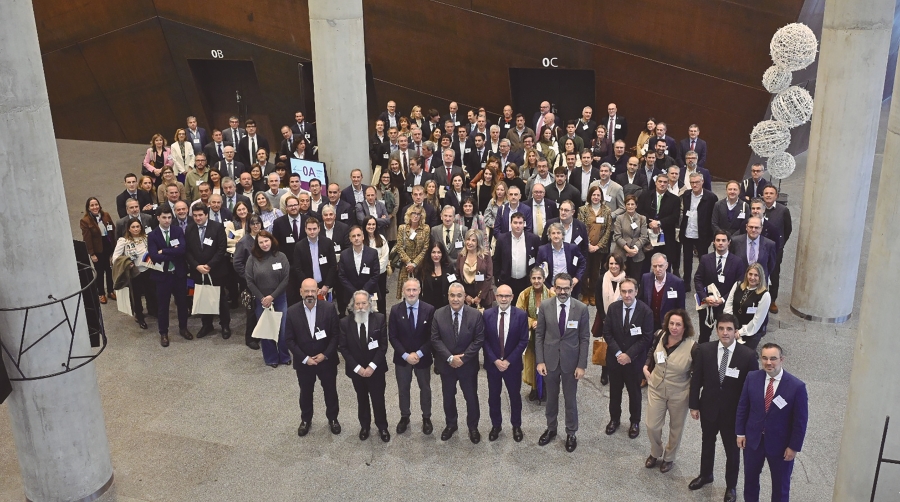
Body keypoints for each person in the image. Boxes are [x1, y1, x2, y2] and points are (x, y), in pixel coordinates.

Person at [688, 313, 759, 502]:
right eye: (721, 328)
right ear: (717, 330)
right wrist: (694, 405)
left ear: (736, 331)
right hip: (709, 408)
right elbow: (696, 380)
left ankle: (731, 487)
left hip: (734, 414)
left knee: (732, 452)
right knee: (707, 443)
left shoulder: (748, 355)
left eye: (729, 329)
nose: (725, 333)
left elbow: (753, 389)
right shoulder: (704, 350)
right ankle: (705, 475)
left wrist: (749, 416)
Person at [736, 343, 808, 502]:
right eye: (765, 358)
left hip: (781, 446)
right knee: (750, 482)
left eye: (773, 359)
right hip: (753, 441)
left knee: (781, 486)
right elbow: (743, 406)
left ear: (782, 359)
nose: (769, 362)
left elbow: (800, 421)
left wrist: (794, 447)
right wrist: (740, 433)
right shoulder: (752, 378)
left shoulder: (796, 387)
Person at [535, 273, 590, 452]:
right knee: (550, 398)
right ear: (554, 287)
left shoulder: (581, 309)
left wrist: (581, 365)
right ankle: (551, 429)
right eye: (559, 288)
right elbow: (539, 335)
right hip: (550, 361)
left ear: (571, 288)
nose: (562, 291)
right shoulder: (545, 306)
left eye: (566, 288)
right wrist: (540, 361)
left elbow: (584, 338)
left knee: (570, 399)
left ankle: (571, 432)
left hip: (571, 363)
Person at [642, 309, 698, 473]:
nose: (674, 327)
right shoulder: (660, 335)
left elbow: (697, 376)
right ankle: (655, 451)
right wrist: (646, 366)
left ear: (685, 327)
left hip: (679, 393)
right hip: (656, 388)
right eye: (671, 323)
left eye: (678, 324)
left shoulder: (693, 347)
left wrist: (695, 403)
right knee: (651, 425)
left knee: (676, 428)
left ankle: (669, 457)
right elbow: (652, 351)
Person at [285, 279, 342, 437]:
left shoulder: (329, 309)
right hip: (304, 363)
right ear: (300, 292)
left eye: (312, 291)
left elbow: (336, 335)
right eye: (306, 291)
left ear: (318, 291)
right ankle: (305, 420)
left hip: (326, 361)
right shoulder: (291, 312)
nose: (310, 294)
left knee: (330, 391)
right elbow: (289, 340)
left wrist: (325, 355)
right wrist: (304, 358)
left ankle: (333, 419)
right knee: (306, 392)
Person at [430, 282, 485, 443]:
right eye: (452, 295)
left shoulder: (475, 315)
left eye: (459, 295)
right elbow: (435, 339)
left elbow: (479, 339)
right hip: (446, 366)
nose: (455, 299)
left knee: (471, 397)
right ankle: (451, 424)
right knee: (448, 397)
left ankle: (473, 427)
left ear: (464, 297)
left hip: (467, 366)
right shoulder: (438, 314)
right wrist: (450, 358)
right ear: (448, 296)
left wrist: (463, 358)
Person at [603, 277, 654, 439]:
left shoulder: (646, 311)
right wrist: (619, 354)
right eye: (623, 291)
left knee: (634, 393)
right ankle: (614, 420)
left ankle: (635, 422)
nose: (627, 295)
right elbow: (607, 333)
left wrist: (629, 355)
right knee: (615, 392)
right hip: (615, 360)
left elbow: (647, 338)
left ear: (636, 292)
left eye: (630, 291)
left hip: (634, 361)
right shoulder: (613, 308)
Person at [339, 291, 390, 442]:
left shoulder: (379, 319)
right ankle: (365, 426)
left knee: (378, 399)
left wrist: (372, 366)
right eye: (357, 304)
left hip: (376, 369)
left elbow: (383, 346)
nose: (360, 307)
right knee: (362, 399)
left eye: (364, 303)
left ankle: (382, 426)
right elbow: (343, 348)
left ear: (370, 304)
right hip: (356, 371)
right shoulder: (345, 323)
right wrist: (358, 368)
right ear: (352, 305)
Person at [482, 285, 529, 442]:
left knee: (515, 396)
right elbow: (484, 340)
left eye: (507, 296)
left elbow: (523, 341)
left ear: (512, 297)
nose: (503, 299)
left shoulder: (521, 315)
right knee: (493, 397)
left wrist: (508, 361)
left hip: (513, 365)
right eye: (500, 296)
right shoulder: (487, 315)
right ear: (495, 297)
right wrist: (495, 360)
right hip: (493, 365)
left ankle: (516, 425)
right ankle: (496, 426)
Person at [389, 278, 435, 435]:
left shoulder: (429, 310)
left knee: (425, 388)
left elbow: (432, 336)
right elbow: (393, 337)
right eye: (408, 290)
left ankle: (426, 417)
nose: (411, 293)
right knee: (403, 388)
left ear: (419, 291)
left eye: (414, 290)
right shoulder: (395, 310)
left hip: (423, 358)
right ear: (403, 291)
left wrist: (419, 353)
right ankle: (404, 416)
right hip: (402, 359)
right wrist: (405, 355)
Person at [147, 205, 192, 346]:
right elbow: (154, 256)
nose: (167, 220)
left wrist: (164, 251)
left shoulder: (178, 230)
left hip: (178, 274)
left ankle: (183, 328)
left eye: (169, 217)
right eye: (164, 218)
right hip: (162, 277)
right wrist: (172, 252)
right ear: (158, 218)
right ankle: (163, 333)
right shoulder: (152, 235)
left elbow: (183, 250)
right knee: (163, 306)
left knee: (182, 303)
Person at [245, 230, 291, 367]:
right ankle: (271, 358)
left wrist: (272, 296)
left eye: (266, 241)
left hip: (279, 297)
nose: (264, 244)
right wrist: (263, 298)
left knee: (282, 330)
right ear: (257, 244)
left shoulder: (281, 256)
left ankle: (284, 355)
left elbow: (286, 279)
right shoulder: (252, 259)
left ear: (271, 240)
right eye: (261, 242)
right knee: (267, 329)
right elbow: (249, 280)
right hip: (262, 300)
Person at [184, 202, 231, 339]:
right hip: (198, 270)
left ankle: (225, 325)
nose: (198, 218)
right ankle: (207, 325)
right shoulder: (189, 229)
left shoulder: (217, 227)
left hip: (216, 270)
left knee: (220, 299)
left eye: (200, 215)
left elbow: (222, 249)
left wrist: (209, 265)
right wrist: (197, 266)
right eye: (195, 215)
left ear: (206, 215)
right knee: (203, 297)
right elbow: (188, 251)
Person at [694, 231, 748, 344]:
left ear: (729, 242)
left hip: (726, 304)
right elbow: (698, 279)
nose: (720, 243)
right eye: (718, 240)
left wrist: (723, 299)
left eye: (723, 240)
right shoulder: (705, 259)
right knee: (704, 335)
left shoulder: (737, 261)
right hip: (707, 304)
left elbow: (739, 284)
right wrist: (704, 297)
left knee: (725, 335)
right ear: (714, 242)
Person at [516, 267, 554, 402]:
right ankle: (534, 388)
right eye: (534, 278)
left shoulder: (551, 295)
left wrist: (542, 323)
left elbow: (556, 315)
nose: (536, 281)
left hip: (548, 336)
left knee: (548, 362)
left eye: (539, 278)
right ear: (530, 279)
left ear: (544, 279)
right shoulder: (524, 294)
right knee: (532, 362)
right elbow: (519, 314)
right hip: (530, 335)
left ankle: (546, 388)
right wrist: (531, 322)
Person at [112, 219, 158, 329]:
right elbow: (115, 258)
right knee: (136, 296)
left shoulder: (146, 238)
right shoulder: (123, 241)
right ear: (128, 228)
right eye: (133, 227)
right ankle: (140, 316)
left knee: (151, 292)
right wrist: (126, 264)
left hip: (148, 269)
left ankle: (153, 310)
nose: (136, 229)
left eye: (138, 226)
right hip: (135, 272)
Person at [592, 253, 628, 386]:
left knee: (620, 344)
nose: (613, 266)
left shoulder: (626, 280)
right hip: (604, 318)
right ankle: (604, 370)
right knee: (606, 345)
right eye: (611, 263)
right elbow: (598, 299)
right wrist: (603, 317)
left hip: (621, 319)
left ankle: (619, 370)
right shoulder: (602, 279)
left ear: (621, 265)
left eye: (616, 263)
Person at [680, 171, 719, 285]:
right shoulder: (686, 195)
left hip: (702, 234)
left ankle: (702, 281)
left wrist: (712, 235)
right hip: (687, 232)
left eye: (697, 182)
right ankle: (686, 281)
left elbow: (713, 218)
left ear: (702, 182)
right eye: (692, 182)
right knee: (687, 260)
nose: (694, 185)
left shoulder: (711, 197)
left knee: (703, 260)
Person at [637, 173, 681, 275]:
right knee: (646, 263)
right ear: (656, 183)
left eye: (665, 182)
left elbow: (675, 217)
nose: (662, 184)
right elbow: (640, 212)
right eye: (660, 182)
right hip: (648, 234)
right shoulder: (645, 195)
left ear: (668, 184)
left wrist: (659, 223)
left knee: (665, 263)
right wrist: (650, 223)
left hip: (666, 235)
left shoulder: (674, 199)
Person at [577, 185, 613, 305]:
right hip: (585, 247)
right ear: (590, 196)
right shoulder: (583, 210)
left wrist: (598, 246)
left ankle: (593, 293)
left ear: (601, 196)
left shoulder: (607, 211)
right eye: (594, 195)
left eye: (598, 195)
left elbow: (608, 230)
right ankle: (585, 294)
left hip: (599, 248)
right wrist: (587, 245)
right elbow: (580, 228)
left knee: (595, 273)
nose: (596, 197)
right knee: (585, 271)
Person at [233, 214, 263, 350]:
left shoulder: (264, 238)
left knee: (261, 309)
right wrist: (247, 277)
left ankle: (261, 334)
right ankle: (250, 338)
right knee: (251, 311)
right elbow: (237, 263)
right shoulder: (244, 242)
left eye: (258, 223)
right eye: (253, 223)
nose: (256, 226)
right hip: (249, 283)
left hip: (264, 281)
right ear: (248, 226)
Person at [724, 263, 771, 350]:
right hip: (733, 328)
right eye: (750, 274)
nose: (752, 278)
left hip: (750, 333)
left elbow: (757, 321)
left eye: (756, 275)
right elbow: (728, 306)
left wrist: (740, 332)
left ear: (761, 277)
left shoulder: (764, 295)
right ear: (746, 274)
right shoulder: (738, 285)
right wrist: (731, 326)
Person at [761, 185, 792, 314]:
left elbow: (788, 229)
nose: (768, 195)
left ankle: (772, 300)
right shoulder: (758, 208)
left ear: (776, 196)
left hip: (775, 249)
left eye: (771, 193)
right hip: (760, 247)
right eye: (766, 193)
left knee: (773, 274)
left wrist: (780, 244)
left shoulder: (783, 210)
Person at [80, 197, 116, 304]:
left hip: (108, 246)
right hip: (97, 249)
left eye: (96, 204)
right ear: (88, 208)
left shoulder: (106, 215)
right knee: (99, 272)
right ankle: (101, 293)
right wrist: (91, 254)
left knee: (110, 270)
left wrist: (115, 247)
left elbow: (112, 230)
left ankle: (110, 291)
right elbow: (87, 239)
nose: (95, 207)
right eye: (92, 205)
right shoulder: (85, 221)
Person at [537, 222, 586, 297]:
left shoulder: (572, 248)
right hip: (552, 289)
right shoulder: (542, 250)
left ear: (563, 235)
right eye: (553, 233)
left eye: (558, 233)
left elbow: (582, 263)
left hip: (569, 288)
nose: (556, 236)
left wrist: (577, 278)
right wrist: (549, 287)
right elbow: (538, 270)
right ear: (549, 235)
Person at [641, 253, 686, 331]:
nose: (658, 269)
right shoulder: (645, 278)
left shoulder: (677, 283)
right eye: (655, 266)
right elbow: (641, 300)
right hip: (649, 323)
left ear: (666, 265)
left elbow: (681, 308)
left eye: (660, 266)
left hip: (667, 324)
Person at [730, 216, 777, 289]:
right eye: (751, 227)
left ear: (761, 228)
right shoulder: (735, 241)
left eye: (757, 227)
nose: (753, 230)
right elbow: (731, 262)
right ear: (746, 227)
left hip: (760, 285)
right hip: (740, 284)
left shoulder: (770, 244)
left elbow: (771, 265)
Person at [395, 206, 430, 299]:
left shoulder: (426, 228)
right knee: (406, 293)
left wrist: (414, 264)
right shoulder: (402, 228)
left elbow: (425, 248)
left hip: (420, 266)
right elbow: (399, 247)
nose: (416, 216)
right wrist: (408, 263)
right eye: (413, 213)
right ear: (409, 215)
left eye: (418, 214)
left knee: (419, 293)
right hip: (405, 267)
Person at [457, 229, 494, 310]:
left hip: (484, 296)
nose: (470, 243)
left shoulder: (486, 255)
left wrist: (479, 297)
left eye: (473, 240)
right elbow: (458, 277)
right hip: (467, 299)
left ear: (478, 242)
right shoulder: (461, 255)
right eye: (468, 239)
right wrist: (465, 296)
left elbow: (489, 276)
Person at [613, 195, 649, 279]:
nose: (630, 206)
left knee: (635, 280)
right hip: (621, 253)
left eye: (632, 204)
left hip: (637, 254)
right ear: (625, 205)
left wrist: (634, 249)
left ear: (636, 205)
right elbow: (617, 236)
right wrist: (628, 250)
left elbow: (644, 236)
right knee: (621, 279)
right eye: (628, 204)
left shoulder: (642, 218)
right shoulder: (619, 218)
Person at [362, 216, 389, 314]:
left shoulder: (381, 238)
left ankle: (382, 320)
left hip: (380, 275)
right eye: (369, 224)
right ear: (365, 225)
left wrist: (376, 271)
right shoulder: (361, 239)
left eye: (373, 224)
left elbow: (385, 257)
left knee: (381, 299)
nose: (371, 226)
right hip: (365, 276)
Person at [374, 171, 400, 246]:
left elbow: (397, 205)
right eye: (384, 177)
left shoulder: (394, 189)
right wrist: (381, 218)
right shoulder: (376, 189)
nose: (386, 179)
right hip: (379, 219)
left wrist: (390, 216)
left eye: (388, 177)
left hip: (391, 219)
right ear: (380, 178)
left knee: (390, 242)